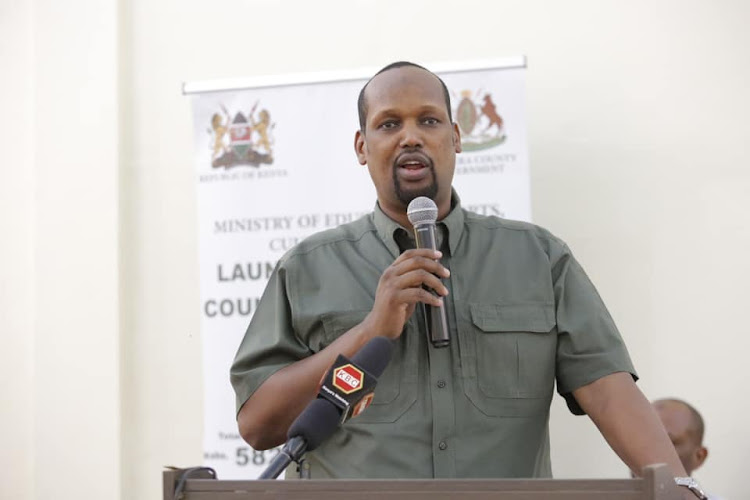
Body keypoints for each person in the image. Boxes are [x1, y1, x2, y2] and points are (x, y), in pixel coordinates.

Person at [230, 61, 697, 495]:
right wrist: (371, 330)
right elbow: (259, 425)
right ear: (361, 146)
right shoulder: (309, 267)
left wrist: (678, 490)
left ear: (456, 137)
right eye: (389, 124)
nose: (410, 137)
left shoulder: (538, 258)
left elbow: (609, 390)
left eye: (429, 121)